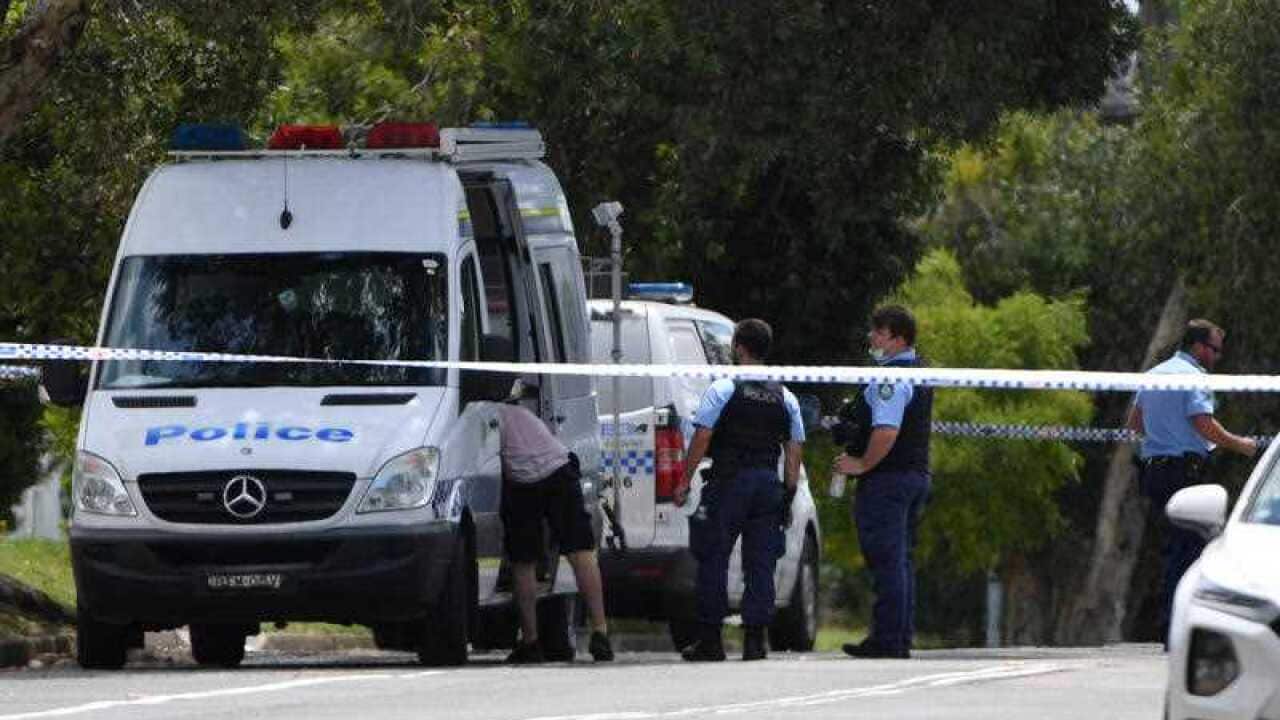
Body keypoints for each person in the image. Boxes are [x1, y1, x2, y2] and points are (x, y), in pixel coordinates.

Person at [673, 318, 805, 662]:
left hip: (730, 482)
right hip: (766, 485)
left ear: (739, 348)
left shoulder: (725, 387)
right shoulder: (785, 395)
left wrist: (684, 480)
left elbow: (702, 435)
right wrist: (788, 493)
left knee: (713, 557)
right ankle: (754, 641)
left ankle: (711, 641)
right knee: (761, 563)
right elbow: (794, 447)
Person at [1128, 319, 1258, 643]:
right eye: (1214, 350)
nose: (1217, 357)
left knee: (1172, 548)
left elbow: (1135, 422)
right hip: (1183, 473)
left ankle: (1168, 624)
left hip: (1155, 471)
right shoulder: (1194, 376)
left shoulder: (1155, 374)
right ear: (1198, 346)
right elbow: (1202, 423)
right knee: (1187, 551)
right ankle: (1177, 628)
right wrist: (1240, 444)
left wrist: (1163, 436)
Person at [833, 305, 932, 660]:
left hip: (888, 480)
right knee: (901, 561)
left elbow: (887, 431)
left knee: (887, 561)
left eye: (879, 332)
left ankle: (888, 639)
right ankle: (898, 636)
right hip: (912, 476)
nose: (872, 338)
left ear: (897, 337)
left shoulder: (892, 377)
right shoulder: (919, 371)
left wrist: (860, 464)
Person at [493, 378, 614, 664]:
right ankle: (600, 633)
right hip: (559, 472)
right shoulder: (521, 414)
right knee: (581, 553)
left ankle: (531, 641)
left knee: (524, 562)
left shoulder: (480, 420)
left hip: (523, 483)